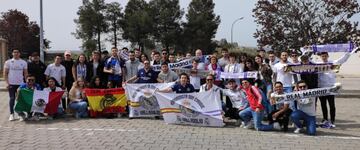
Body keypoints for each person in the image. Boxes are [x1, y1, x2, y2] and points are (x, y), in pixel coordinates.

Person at [316, 49, 358, 127]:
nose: (324, 57)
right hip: (321, 87)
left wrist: (348, 52)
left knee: (332, 105)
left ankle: (332, 120)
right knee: (323, 105)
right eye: (322, 56)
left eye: (325, 56)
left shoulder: (333, 63)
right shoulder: (317, 64)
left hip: (331, 88)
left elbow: (342, 60)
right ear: (320, 57)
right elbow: (306, 64)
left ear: (327, 56)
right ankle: (325, 119)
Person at [4, 49, 28, 121]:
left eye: (17, 52)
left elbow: (26, 73)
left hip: (20, 84)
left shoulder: (23, 62)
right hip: (11, 83)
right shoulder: (8, 62)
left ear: (19, 54)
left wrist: (26, 83)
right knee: (12, 98)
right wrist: (7, 83)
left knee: (20, 99)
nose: (16, 53)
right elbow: (5, 73)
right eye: (14, 52)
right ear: (12, 53)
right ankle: (11, 114)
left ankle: (20, 114)